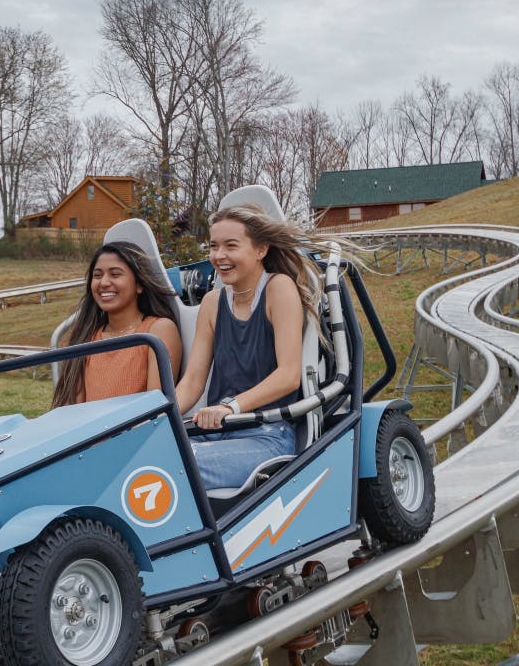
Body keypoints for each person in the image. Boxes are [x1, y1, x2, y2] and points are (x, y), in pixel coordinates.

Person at [174, 203, 327, 490]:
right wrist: (158, 418)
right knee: (147, 459)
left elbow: (289, 375)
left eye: (231, 246)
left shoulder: (278, 288)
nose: (219, 256)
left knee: (175, 470)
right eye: (214, 246)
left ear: (261, 250)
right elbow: (193, 381)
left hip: (267, 436)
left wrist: (231, 407)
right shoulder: (211, 303)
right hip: (216, 432)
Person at [52, 242, 182, 408]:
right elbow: (71, 410)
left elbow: (156, 410)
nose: (104, 282)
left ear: (139, 284)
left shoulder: (157, 331)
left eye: (115, 274)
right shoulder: (86, 337)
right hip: (94, 432)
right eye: (97, 275)